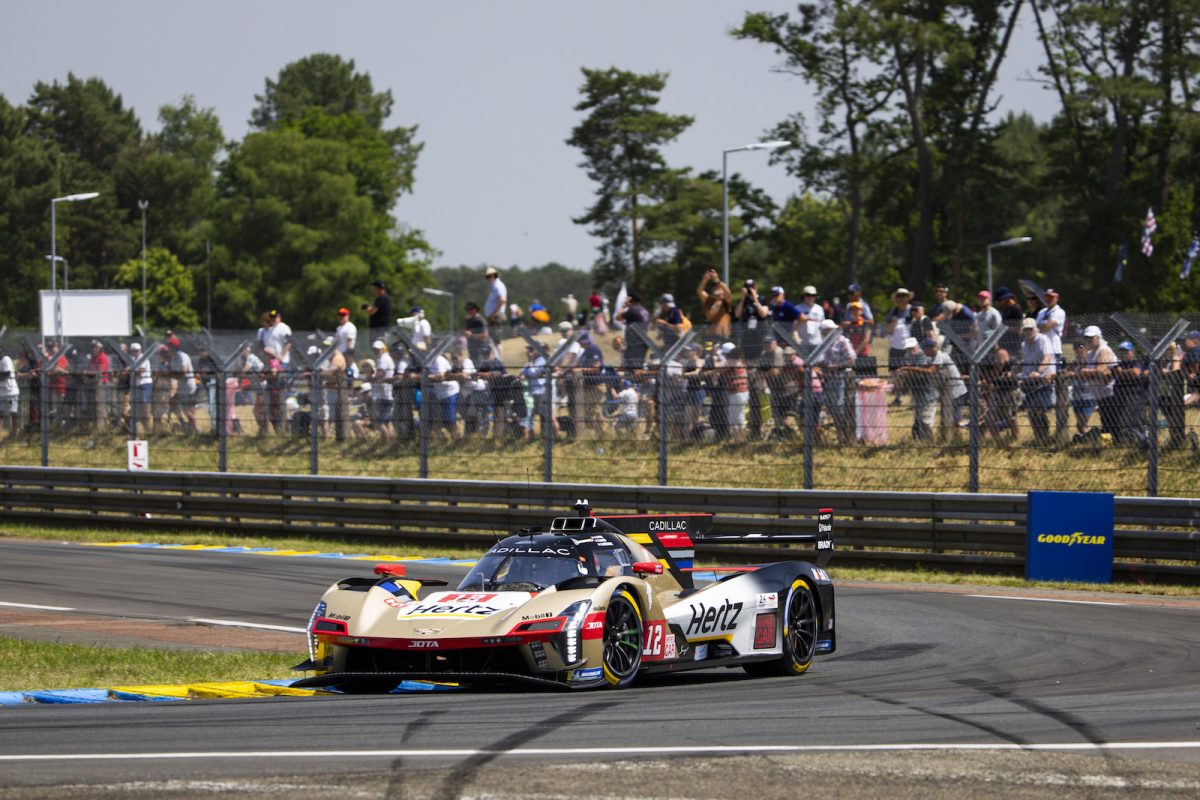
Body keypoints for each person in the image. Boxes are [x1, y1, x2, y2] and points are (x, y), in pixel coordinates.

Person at [1071, 325, 1117, 444]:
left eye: (1091, 338)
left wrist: (1087, 372)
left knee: (1112, 421)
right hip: (1100, 393)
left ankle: (1114, 443)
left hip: (1111, 393)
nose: (1089, 340)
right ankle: (1107, 444)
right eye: (1087, 338)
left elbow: (1101, 369)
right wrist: (1091, 373)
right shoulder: (1091, 353)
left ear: (1098, 337)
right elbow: (1087, 373)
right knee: (1106, 421)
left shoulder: (1103, 350)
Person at [817, 319, 856, 443]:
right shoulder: (822, 343)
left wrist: (836, 366)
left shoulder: (842, 341)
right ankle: (839, 435)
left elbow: (851, 360)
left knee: (840, 408)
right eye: (824, 331)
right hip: (826, 380)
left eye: (828, 330)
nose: (826, 333)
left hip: (841, 378)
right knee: (831, 408)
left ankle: (845, 436)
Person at [1019, 317, 1056, 445]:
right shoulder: (1024, 344)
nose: (1028, 332)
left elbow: (1047, 357)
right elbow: (1025, 362)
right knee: (1031, 412)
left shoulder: (1043, 339)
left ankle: (1045, 437)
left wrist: (1038, 372)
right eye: (1026, 330)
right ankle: (1039, 438)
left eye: (1030, 329)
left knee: (1039, 409)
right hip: (1029, 382)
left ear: (1035, 329)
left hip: (1043, 380)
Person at [1110, 341, 1147, 446]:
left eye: (1126, 351)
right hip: (1122, 395)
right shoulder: (1119, 364)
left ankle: (1141, 441)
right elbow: (1112, 373)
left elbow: (1136, 372)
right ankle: (1126, 442)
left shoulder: (1136, 361)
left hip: (1135, 394)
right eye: (1121, 351)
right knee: (1123, 419)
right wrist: (1123, 372)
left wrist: (1122, 372)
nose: (1123, 354)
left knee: (1134, 419)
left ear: (1132, 352)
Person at [715, 342, 749, 441]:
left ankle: (738, 441)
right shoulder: (739, 361)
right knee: (738, 418)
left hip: (737, 393)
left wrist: (715, 361)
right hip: (742, 392)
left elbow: (718, 369)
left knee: (734, 419)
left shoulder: (732, 361)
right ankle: (740, 440)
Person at [884, 288, 914, 376]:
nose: (901, 298)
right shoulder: (893, 312)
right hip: (895, 348)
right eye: (899, 295)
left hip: (909, 349)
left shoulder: (913, 310)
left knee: (907, 374)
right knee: (893, 374)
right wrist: (893, 322)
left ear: (908, 297)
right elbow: (887, 331)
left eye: (904, 295)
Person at [697, 269, 733, 338]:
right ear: (713, 291)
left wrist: (716, 279)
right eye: (717, 288)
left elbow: (728, 292)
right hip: (709, 336)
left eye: (721, 289)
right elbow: (699, 291)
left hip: (723, 336)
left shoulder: (725, 302)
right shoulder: (709, 301)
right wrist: (704, 280)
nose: (720, 291)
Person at [619, 293, 650, 369]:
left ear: (630, 300)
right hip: (642, 342)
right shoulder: (644, 310)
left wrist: (624, 306)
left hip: (633, 343)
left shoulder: (632, 310)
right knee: (639, 365)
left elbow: (618, 317)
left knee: (631, 368)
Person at [371, 340, 394, 440]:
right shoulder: (384, 358)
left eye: (378, 349)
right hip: (385, 393)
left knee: (378, 422)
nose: (376, 351)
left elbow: (380, 373)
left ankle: (386, 442)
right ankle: (390, 442)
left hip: (383, 394)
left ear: (382, 349)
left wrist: (371, 378)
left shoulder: (383, 359)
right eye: (375, 349)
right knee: (386, 422)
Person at [1036, 289, 1067, 366]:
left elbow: (1047, 326)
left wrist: (1038, 328)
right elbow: (1035, 327)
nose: (1048, 299)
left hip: (1053, 348)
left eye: (1051, 297)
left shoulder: (1059, 312)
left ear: (1056, 298)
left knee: (1052, 373)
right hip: (1041, 348)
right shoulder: (1041, 312)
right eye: (1047, 297)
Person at [795, 285, 825, 350]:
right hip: (803, 343)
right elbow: (793, 327)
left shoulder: (820, 309)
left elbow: (823, 326)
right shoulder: (797, 309)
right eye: (808, 295)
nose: (810, 297)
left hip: (818, 343)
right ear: (803, 296)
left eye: (813, 295)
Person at [483, 266, 508, 333]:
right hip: (494, 316)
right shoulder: (495, 286)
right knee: (494, 337)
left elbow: (502, 300)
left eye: (489, 276)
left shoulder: (498, 285)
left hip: (496, 316)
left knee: (497, 337)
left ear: (494, 276)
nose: (487, 279)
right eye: (487, 277)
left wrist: (495, 313)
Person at [0, 347, 17, 435]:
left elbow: (6, 374)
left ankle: (13, 432)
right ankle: (2, 432)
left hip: (10, 391)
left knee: (12, 413)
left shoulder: (6, 359)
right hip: (2, 392)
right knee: (1, 413)